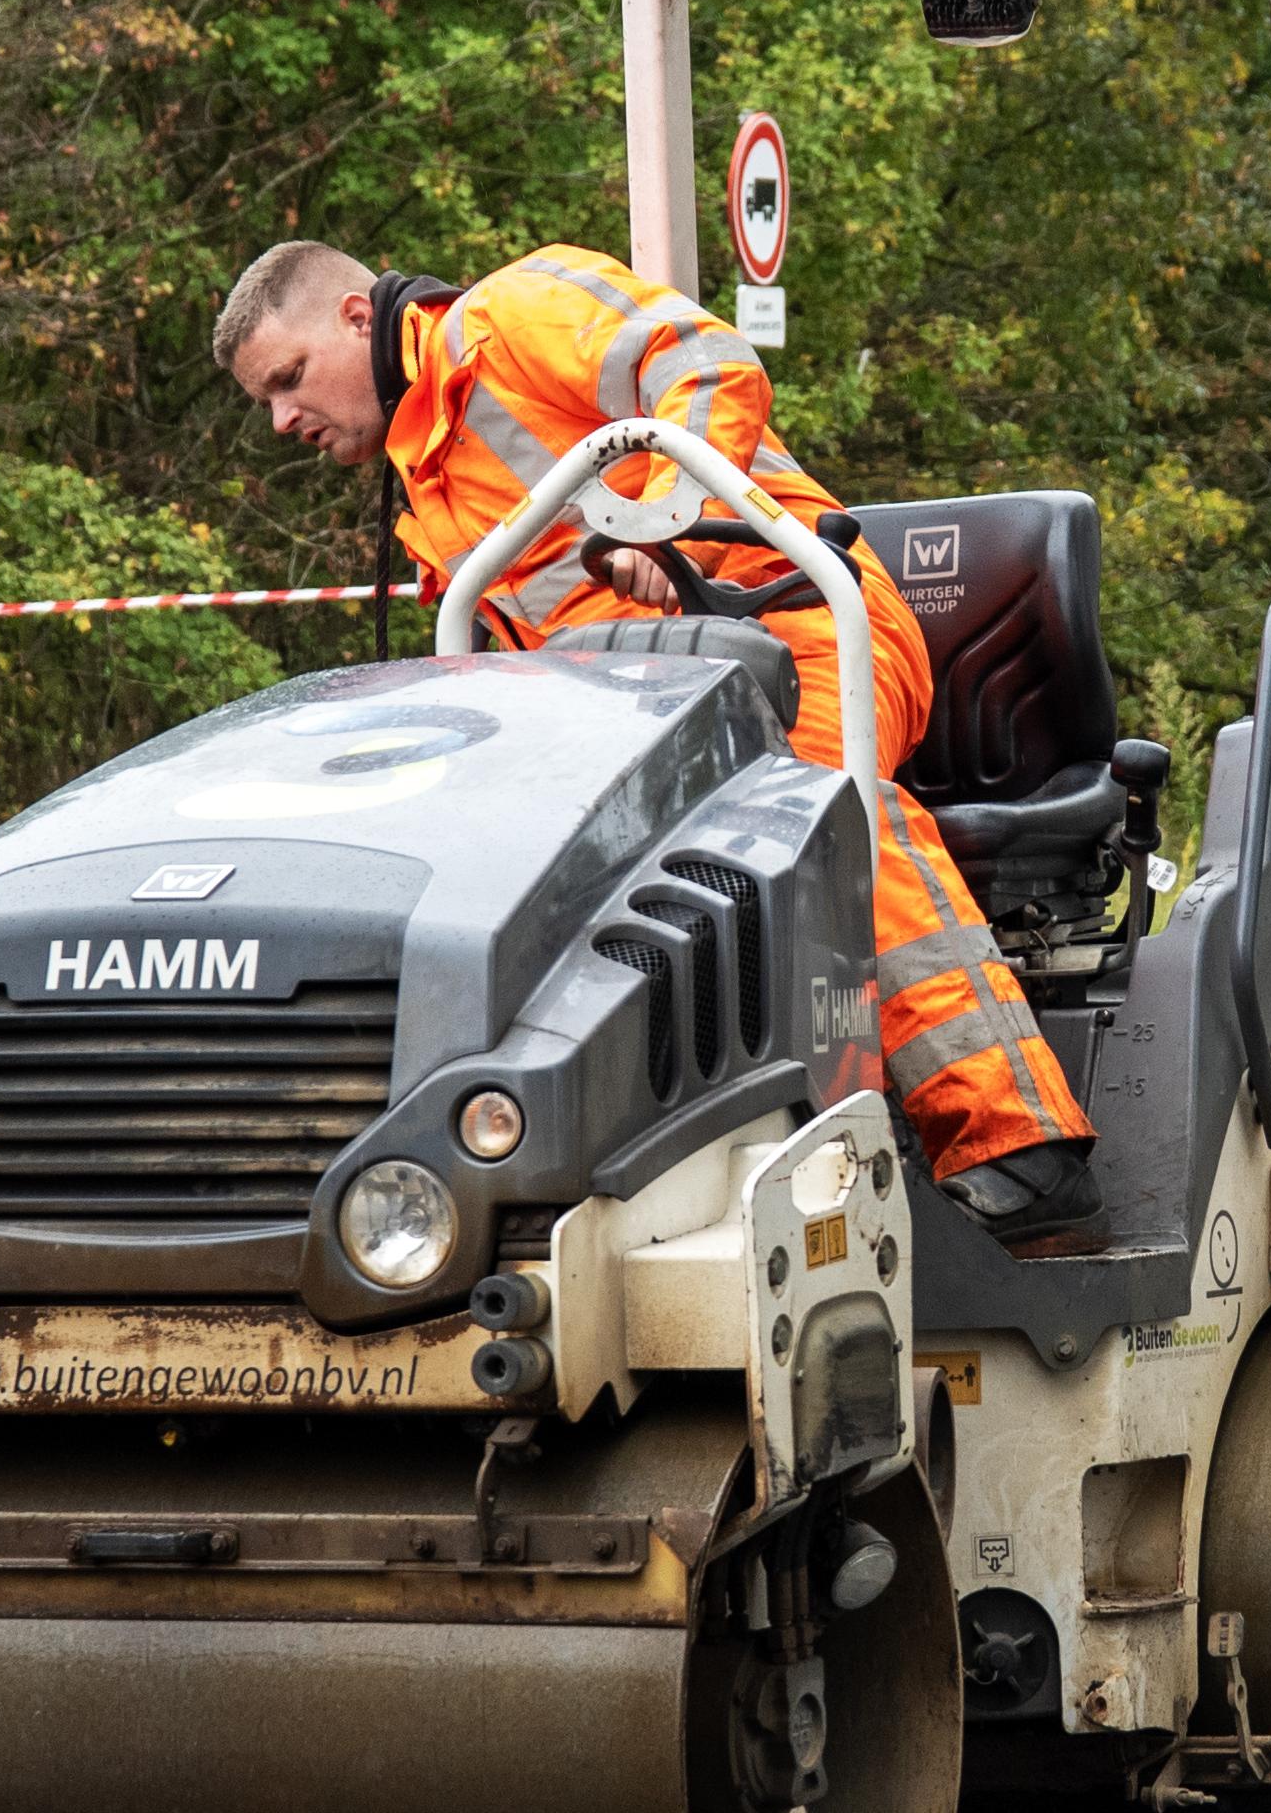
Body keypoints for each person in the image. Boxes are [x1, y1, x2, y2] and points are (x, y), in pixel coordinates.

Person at [215, 234, 1103, 1244]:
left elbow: (698, 356)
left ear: (355, 315)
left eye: (288, 380)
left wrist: (659, 518)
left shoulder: (511, 314)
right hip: (633, 717)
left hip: (788, 620)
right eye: (266, 403)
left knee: (805, 809)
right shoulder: (430, 474)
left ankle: (1010, 1140)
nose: (284, 418)